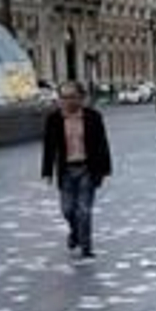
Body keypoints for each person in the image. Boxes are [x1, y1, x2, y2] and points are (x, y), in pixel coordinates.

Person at [41, 80, 112, 261]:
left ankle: (86, 247)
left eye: (72, 97)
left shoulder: (93, 117)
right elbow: (49, 147)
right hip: (66, 170)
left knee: (84, 210)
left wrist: (105, 170)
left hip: (87, 168)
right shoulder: (54, 119)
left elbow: (102, 144)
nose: (67, 101)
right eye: (63, 98)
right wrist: (47, 171)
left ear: (81, 98)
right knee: (67, 210)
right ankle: (75, 232)